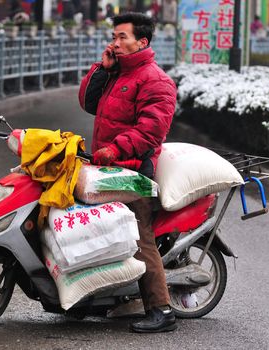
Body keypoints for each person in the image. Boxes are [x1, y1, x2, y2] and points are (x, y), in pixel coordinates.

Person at [78, 12, 177, 333]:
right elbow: (88, 103)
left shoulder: (156, 80)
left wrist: (116, 150)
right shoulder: (118, 73)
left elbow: (150, 132)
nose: (115, 43)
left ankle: (162, 310)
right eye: (114, 37)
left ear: (142, 42)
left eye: (122, 37)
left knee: (138, 237)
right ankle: (107, 298)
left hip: (134, 171)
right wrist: (101, 69)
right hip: (107, 167)